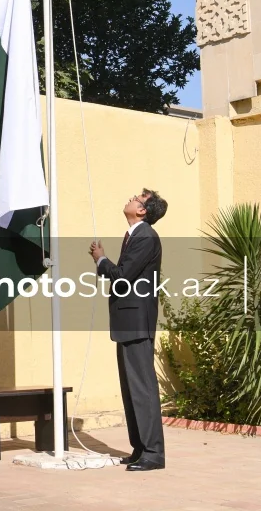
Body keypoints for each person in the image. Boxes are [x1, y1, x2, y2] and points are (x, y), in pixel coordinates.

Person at [89, 189, 167, 472]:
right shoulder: (135, 234)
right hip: (127, 322)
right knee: (131, 388)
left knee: (142, 388)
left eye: (138, 197)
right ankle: (139, 448)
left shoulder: (145, 236)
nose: (131, 197)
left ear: (143, 210)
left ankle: (153, 453)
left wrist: (100, 259)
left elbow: (122, 277)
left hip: (136, 323)